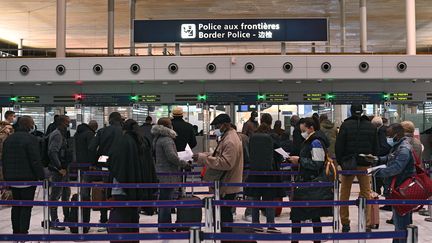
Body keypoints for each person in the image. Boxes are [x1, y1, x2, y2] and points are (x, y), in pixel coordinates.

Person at [107, 119, 158, 243]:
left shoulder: (123, 141)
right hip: (139, 187)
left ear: (124, 129)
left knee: (122, 215)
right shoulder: (143, 141)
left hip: (121, 188)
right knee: (133, 216)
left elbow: (114, 161)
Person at [193, 114, 243, 233]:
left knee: (224, 216)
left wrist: (204, 159)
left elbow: (226, 163)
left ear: (225, 125)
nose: (216, 128)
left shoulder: (230, 140)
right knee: (222, 214)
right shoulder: (227, 138)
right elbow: (220, 156)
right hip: (225, 183)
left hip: (227, 183)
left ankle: (225, 239)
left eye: (217, 126)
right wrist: (205, 155)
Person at [289, 117, 333, 243]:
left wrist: (299, 160)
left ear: (311, 128)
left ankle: (298, 241)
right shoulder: (312, 140)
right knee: (313, 215)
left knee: (301, 215)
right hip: (309, 182)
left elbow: (317, 163)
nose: (302, 133)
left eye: (303, 130)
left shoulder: (315, 142)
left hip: (309, 183)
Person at [335, 104, 378, 232]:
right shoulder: (371, 126)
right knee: (366, 193)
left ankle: (345, 223)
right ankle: (367, 223)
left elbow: (339, 146)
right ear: (362, 111)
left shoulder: (346, 125)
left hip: (348, 164)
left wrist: (341, 162)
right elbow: (376, 147)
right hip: (365, 164)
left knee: (345, 193)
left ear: (351, 111)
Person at [372, 123, 415, 243]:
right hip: (399, 189)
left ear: (397, 134)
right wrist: (378, 159)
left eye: (389, 135)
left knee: (401, 224)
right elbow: (391, 157)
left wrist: (377, 172)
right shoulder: (399, 146)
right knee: (398, 223)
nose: (387, 138)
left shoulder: (404, 148)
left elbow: (396, 167)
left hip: (402, 190)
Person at [2, 116, 45, 234]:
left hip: (12, 179)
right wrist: (41, 176)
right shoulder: (31, 139)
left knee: (16, 206)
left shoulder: (8, 139)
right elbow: (35, 160)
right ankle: (23, 232)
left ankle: (16, 231)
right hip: (28, 179)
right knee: (26, 206)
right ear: (29, 126)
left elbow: (4, 160)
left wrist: (6, 178)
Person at [245, 113, 284, 233]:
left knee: (255, 199)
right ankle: (270, 225)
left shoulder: (253, 136)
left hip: (254, 172)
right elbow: (279, 154)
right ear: (271, 122)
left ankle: (255, 224)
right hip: (269, 173)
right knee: (269, 200)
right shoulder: (273, 136)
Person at [151, 117, 192, 232]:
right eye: (170, 124)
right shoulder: (167, 140)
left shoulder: (157, 138)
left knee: (164, 199)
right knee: (166, 201)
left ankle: (164, 224)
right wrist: (184, 164)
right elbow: (172, 157)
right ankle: (165, 226)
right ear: (167, 126)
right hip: (168, 173)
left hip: (161, 172)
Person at [88, 112, 124, 230]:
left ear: (110, 120)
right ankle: (118, 218)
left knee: (105, 191)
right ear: (120, 120)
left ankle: (104, 220)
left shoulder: (102, 131)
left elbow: (91, 148)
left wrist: (95, 162)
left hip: (104, 162)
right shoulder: (124, 131)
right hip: (120, 164)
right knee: (119, 191)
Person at [48, 115, 73, 230]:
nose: (69, 124)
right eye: (68, 121)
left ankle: (66, 217)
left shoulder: (61, 134)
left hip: (63, 170)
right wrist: (59, 168)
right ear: (62, 122)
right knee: (55, 196)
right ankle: (54, 221)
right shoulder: (57, 135)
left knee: (65, 194)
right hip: (58, 171)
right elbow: (52, 152)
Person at [75, 121, 98, 204]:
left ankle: (83, 202)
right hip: (87, 163)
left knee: (83, 184)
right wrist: (93, 163)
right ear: (94, 127)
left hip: (79, 163)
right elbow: (91, 150)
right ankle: (86, 204)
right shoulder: (89, 134)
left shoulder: (78, 134)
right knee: (87, 184)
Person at [371, 116, 392, 198]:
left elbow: (383, 146)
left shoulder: (381, 131)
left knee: (379, 178)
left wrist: (377, 156)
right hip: (386, 158)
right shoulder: (384, 130)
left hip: (382, 158)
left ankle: (378, 195)